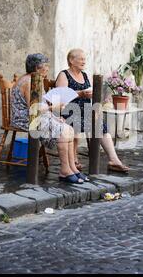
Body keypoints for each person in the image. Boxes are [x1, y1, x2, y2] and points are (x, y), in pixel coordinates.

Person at [10, 53, 89, 184]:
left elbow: (42, 106)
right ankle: (65, 170)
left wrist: (54, 117)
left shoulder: (35, 79)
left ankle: (72, 168)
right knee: (63, 132)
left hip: (37, 116)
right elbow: (35, 109)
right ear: (37, 67)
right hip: (26, 119)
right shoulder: (30, 82)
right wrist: (54, 108)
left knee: (68, 128)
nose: (47, 69)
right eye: (46, 66)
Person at [55, 49, 130, 173]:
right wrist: (81, 94)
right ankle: (72, 159)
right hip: (68, 112)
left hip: (86, 111)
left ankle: (114, 160)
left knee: (100, 124)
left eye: (85, 59)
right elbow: (60, 96)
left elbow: (90, 94)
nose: (84, 61)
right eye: (81, 59)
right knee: (79, 123)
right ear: (71, 60)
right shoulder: (64, 75)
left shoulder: (84, 75)